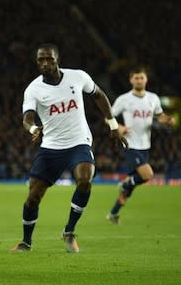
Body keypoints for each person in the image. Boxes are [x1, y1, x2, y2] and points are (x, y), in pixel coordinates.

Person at [11, 43, 128, 253]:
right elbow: (27, 118)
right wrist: (32, 129)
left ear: (58, 59)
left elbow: (99, 95)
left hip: (79, 142)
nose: (45, 63)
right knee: (33, 196)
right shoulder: (34, 89)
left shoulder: (78, 77)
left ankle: (69, 231)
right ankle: (26, 242)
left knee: (85, 181)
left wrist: (113, 125)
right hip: (50, 148)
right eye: (41, 60)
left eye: (49, 58)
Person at [107, 67, 174, 224]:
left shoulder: (153, 98)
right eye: (136, 78)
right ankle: (125, 183)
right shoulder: (124, 99)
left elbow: (159, 115)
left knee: (130, 189)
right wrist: (119, 128)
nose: (139, 80)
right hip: (130, 144)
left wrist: (167, 120)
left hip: (146, 145)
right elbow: (108, 117)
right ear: (131, 80)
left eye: (141, 77)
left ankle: (113, 213)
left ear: (146, 79)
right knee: (147, 175)